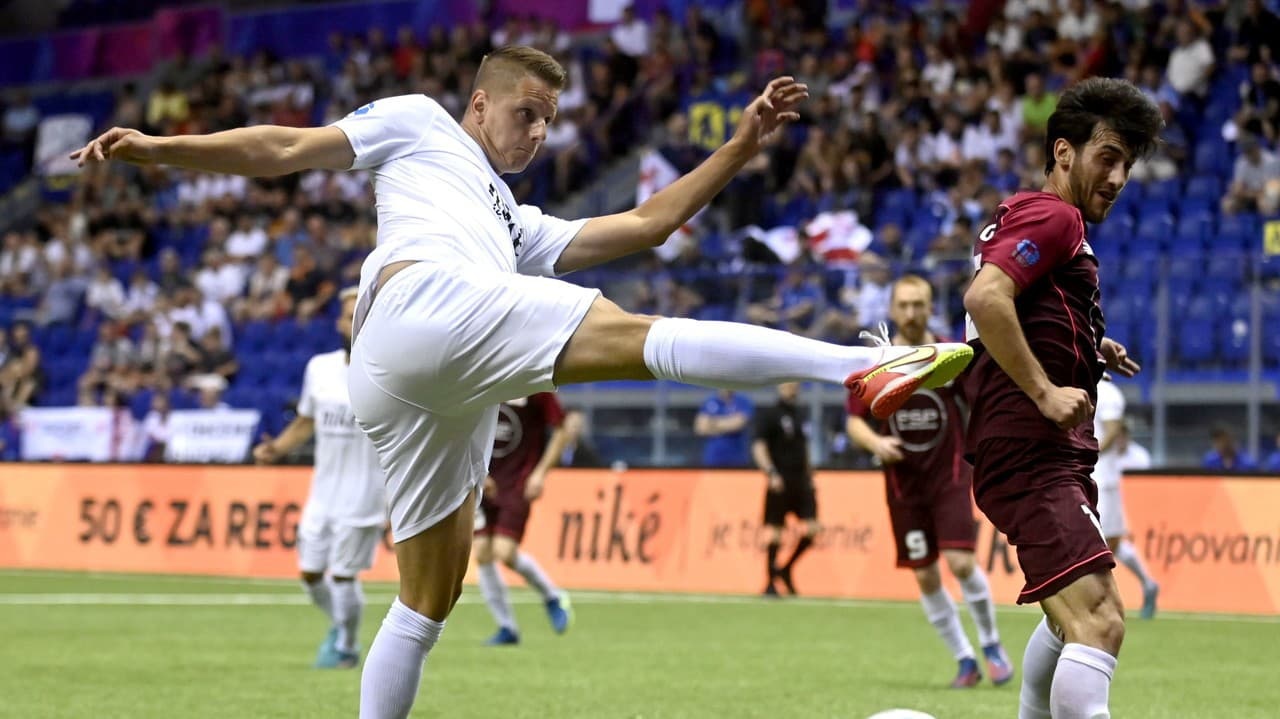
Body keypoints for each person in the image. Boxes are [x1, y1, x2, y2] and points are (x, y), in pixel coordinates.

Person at [73, 46, 973, 719]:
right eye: (526, 112)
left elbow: (651, 224)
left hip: (411, 378)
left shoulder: (515, 221)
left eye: (550, 120)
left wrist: (740, 145)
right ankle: (862, 364)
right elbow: (285, 147)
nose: (537, 132)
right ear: (479, 101)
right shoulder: (421, 122)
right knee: (634, 333)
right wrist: (158, 149)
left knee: (428, 598)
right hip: (420, 303)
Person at [962, 77, 1163, 719]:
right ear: (1063, 153)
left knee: (1065, 616)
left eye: (1127, 164)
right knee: (1099, 620)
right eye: (1108, 157)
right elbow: (985, 300)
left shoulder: (1043, 221)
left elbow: (1009, 306)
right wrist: (1046, 389)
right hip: (1031, 448)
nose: (1118, 176)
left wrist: (1088, 346)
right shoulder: (1055, 214)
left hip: (1036, 449)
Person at [845, 275, 1013, 689]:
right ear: (891, 309)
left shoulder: (947, 355)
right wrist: (876, 444)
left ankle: (991, 644)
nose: (910, 312)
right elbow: (853, 422)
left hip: (949, 475)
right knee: (924, 575)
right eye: (903, 305)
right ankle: (964, 659)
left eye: (918, 304)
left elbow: (977, 403)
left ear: (930, 306)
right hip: (903, 484)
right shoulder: (876, 362)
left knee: (959, 562)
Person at [252, 287, 387, 669]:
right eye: (348, 315)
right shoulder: (320, 368)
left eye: (361, 312)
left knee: (344, 577)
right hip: (323, 492)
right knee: (311, 574)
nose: (354, 321)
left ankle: (346, 644)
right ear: (339, 323)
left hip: (364, 495)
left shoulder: (392, 369)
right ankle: (340, 624)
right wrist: (276, 449)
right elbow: (307, 421)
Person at [472, 392, 573, 645]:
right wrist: (475, 468)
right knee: (482, 552)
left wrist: (540, 473)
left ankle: (553, 596)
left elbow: (562, 430)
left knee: (505, 552)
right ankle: (507, 628)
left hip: (518, 483)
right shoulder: (486, 377)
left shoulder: (535, 383)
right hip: (483, 481)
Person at [1092, 378, 1159, 620]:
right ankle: (1148, 585)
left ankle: (1101, 600)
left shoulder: (1107, 393)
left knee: (1106, 544)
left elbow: (1112, 431)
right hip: (1089, 477)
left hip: (1102, 478)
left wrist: (1087, 451)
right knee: (1109, 544)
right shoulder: (1079, 385)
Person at [752, 382, 819, 596]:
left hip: (800, 480)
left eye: (796, 383)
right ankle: (770, 582)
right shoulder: (769, 414)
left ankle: (786, 569)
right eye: (788, 382)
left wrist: (809, 472)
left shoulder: (801, 414)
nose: (793, 386)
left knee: (813, 529)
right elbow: (758, 445)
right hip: (780, 479)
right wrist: (770, 472)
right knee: (776, 531)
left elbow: (804, 445)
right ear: (779, 385)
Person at [694, 389, 754, 466]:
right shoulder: (709, 401)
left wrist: (712, 422)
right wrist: (728, 422)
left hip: (738, 458)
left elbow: (738, 424)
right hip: (713, 458)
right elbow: (700, 428)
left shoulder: (743, 401)